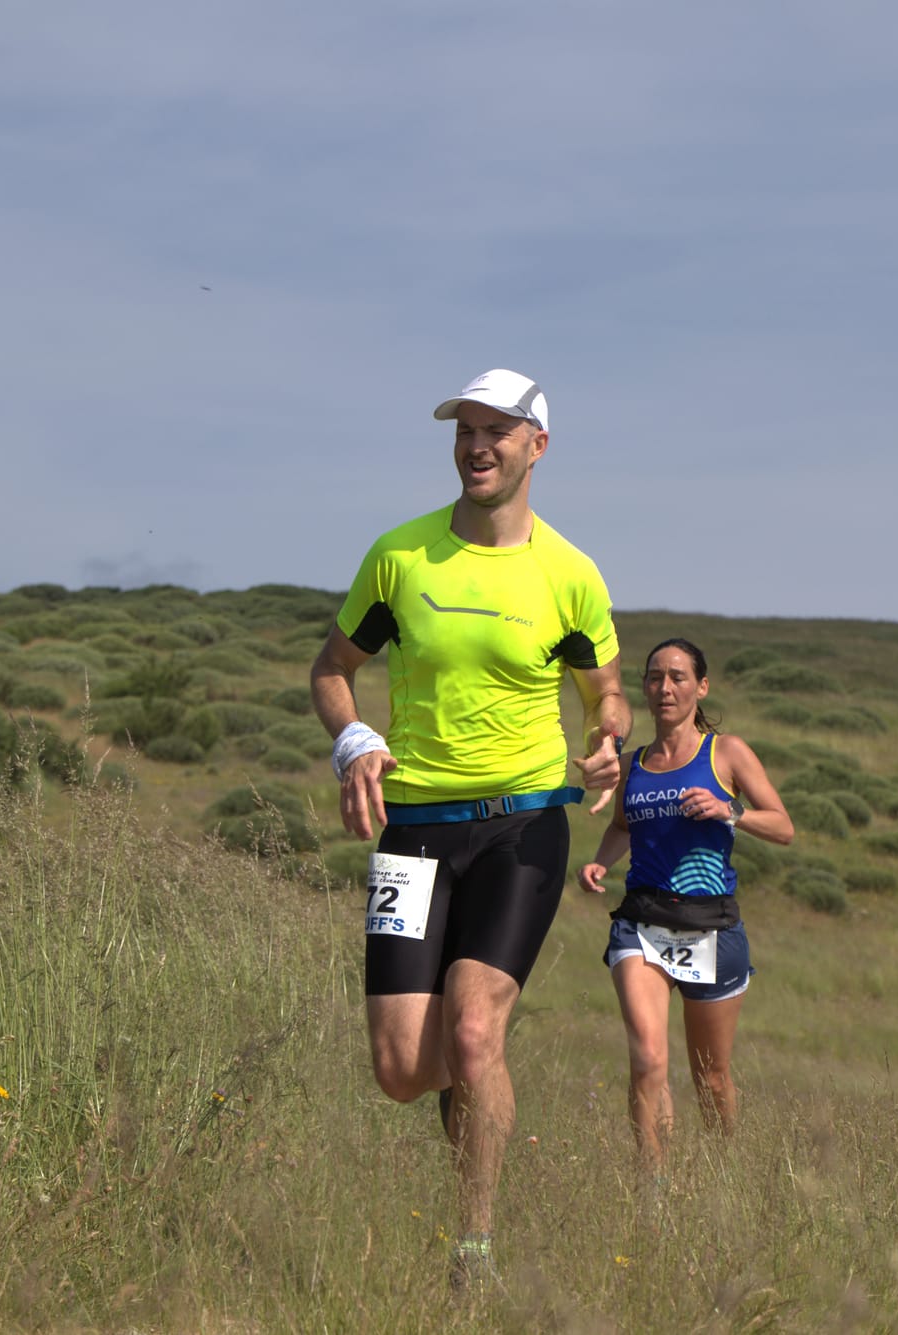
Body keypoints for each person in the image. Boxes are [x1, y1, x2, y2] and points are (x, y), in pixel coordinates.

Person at [310, 368, 631, 1287]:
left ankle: (475, 1248)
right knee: (401, 1069)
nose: (477, 446)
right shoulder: (399, 558)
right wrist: (355, 737)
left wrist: (607, 742)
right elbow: (332, 667)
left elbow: (605, 692)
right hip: (412, 833)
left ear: (537, 446)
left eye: (498, 431)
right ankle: (473, 1076)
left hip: (523, 827)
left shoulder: (569, 574)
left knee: (478, 1026)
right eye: (465, 431)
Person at [578, 637, 792, 1175]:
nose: (664, 687)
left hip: (711, 929)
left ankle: (724, 1175)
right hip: (642, 925)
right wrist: (601, 862)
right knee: (648, 1059)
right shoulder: (634, 765)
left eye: (677, 677)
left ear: (701, 687)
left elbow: (783, 827)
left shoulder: (726, 753)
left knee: (710, 1075)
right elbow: (621, 827)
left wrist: (729, 810)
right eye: (654, 677)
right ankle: (654, 1192)